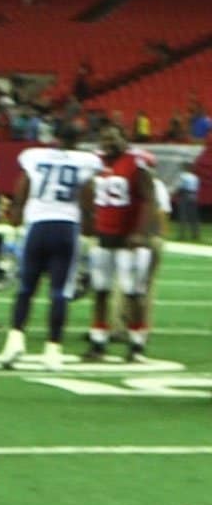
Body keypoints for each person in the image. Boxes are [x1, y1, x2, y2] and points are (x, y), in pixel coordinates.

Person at [0, 126, 102, 370]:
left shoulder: (36, 156)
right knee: (59, 292)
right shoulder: (85, 161)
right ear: (79, 139)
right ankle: (53, 349)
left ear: (55, 139)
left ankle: (15, 340)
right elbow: (87, 198)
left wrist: (16, 215)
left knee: (25, 288)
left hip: (38, 227)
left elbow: (23, 187)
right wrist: (89, 230)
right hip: (66, 228)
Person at [82, 125, 155, 362]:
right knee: (101, 291)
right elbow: (86, 192)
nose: (108, 143)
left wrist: (140, 232)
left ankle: (136, 344)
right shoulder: (96, 163)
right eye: (105, 139)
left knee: (132, 292)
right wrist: (87, 219)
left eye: (113, 138)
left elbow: (148, 198)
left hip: (129, 240)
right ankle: (98, 341)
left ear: (125, 139)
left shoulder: (135, 163)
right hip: (104, 236)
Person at [175, 162, 200, 241]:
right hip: (193, 196)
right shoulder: (195, 177)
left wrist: (176, 194)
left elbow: (180, 186)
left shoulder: (183, 176)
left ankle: (182, 235)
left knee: (183, 216)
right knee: (193, 216)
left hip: (185, 195)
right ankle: (195, 235)